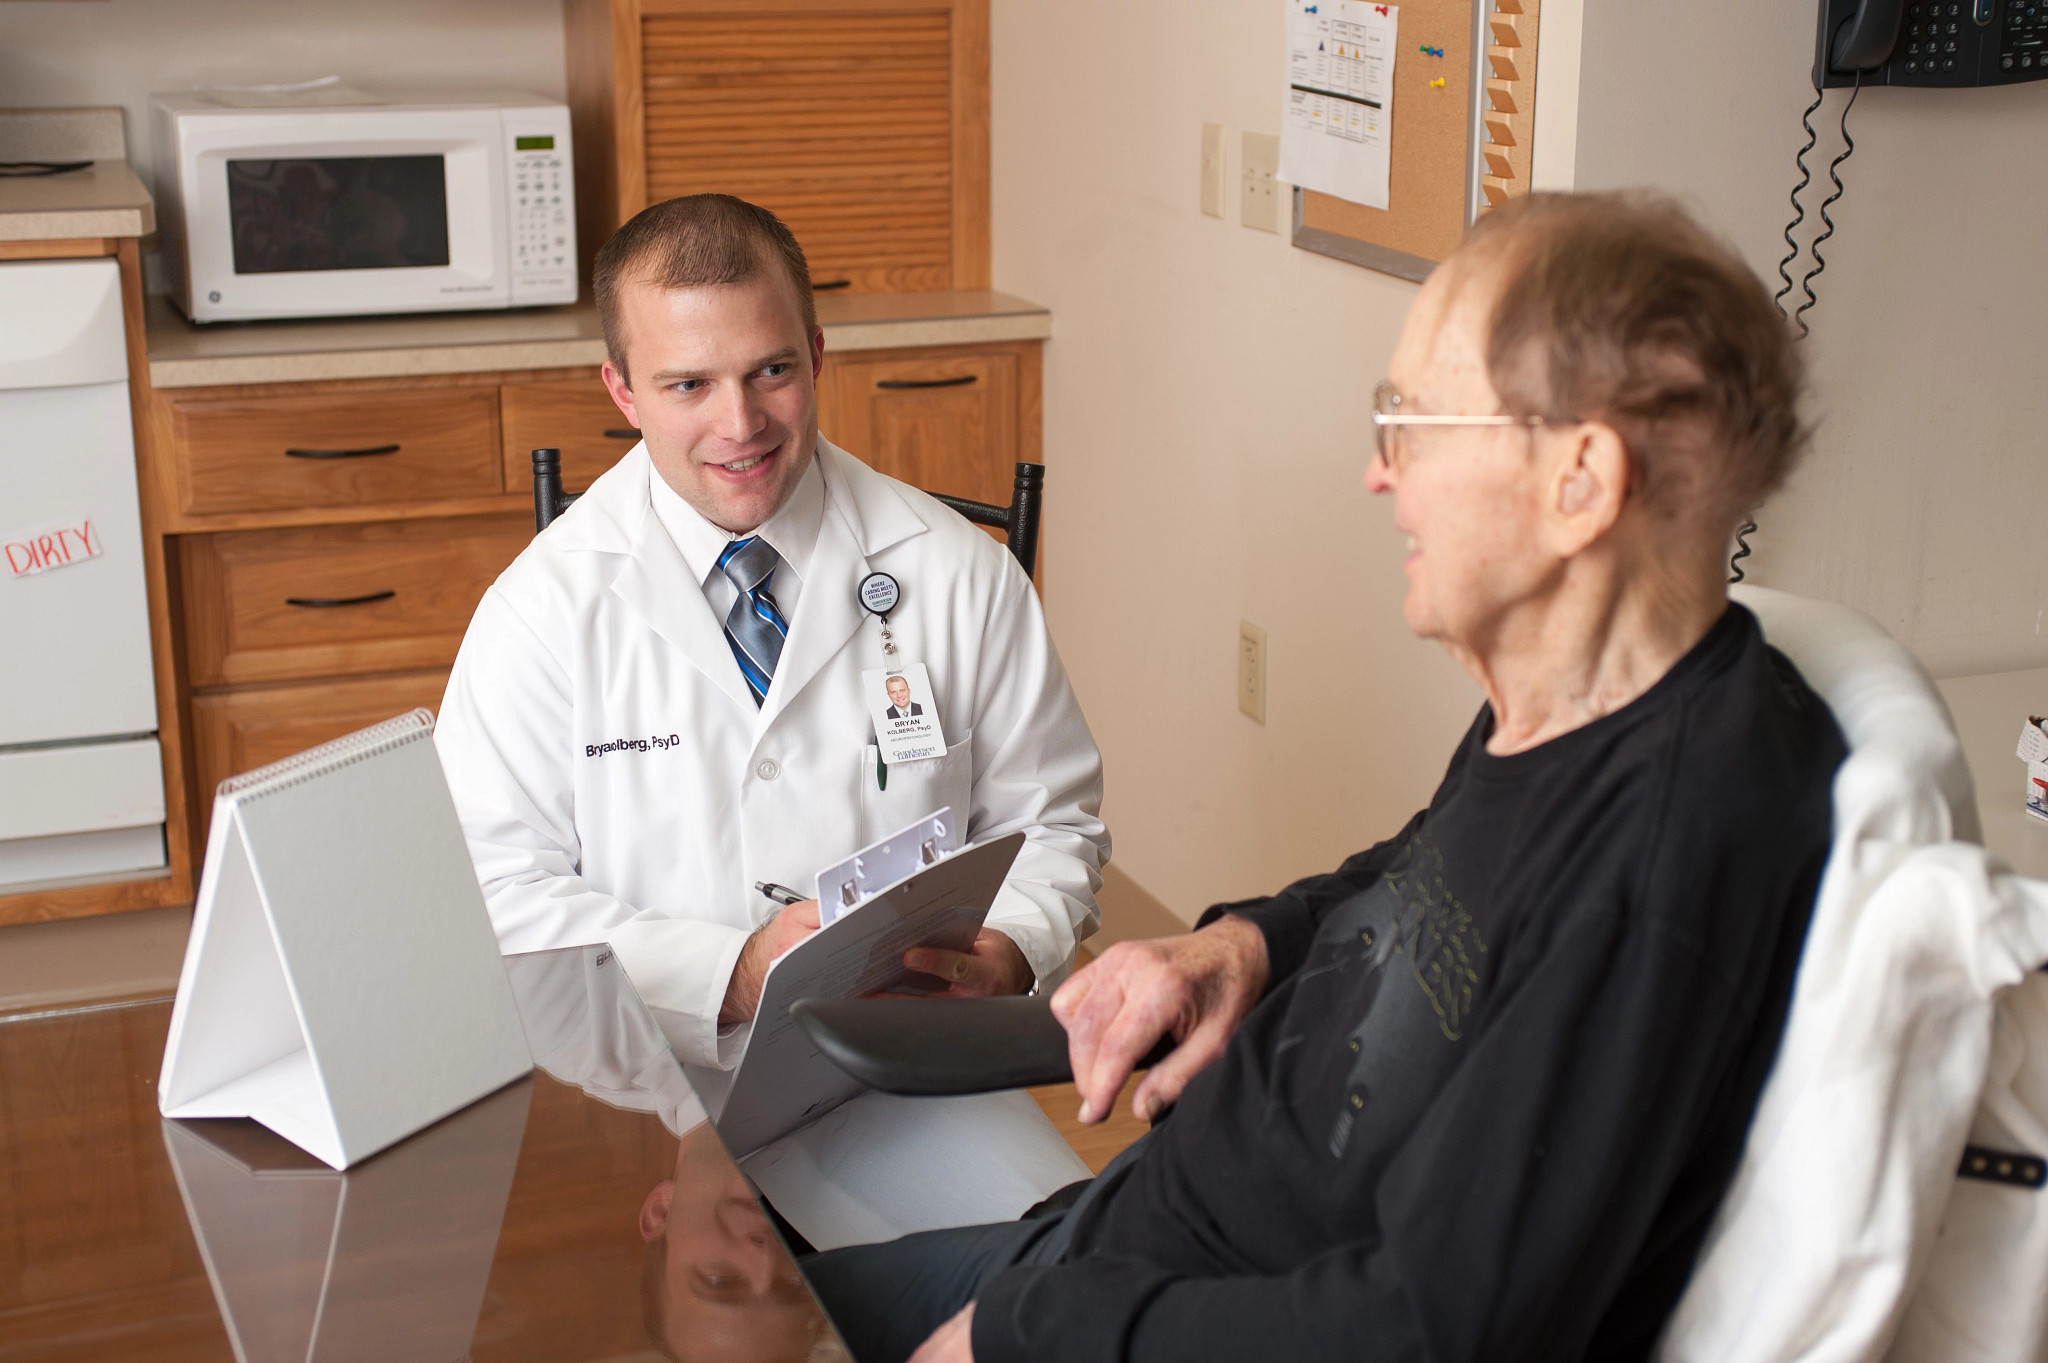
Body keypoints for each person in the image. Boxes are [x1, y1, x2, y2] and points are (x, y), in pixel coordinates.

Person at [800, 189, 1848, 1363]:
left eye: (1413, 423)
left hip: (1136, 1313)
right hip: (1122, 1238)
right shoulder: (1578, 703)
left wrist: (1028, 1332)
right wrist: (1242, 945)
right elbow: (1421, 881)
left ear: (1579, 482)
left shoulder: (1661, 857)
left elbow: (1436, 1328)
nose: (1375, 473)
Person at [435, 194, 1108, 1074]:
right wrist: (737, 973)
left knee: (1078, 1216)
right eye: (688, 385)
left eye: (772, 371)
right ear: (622, 391)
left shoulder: (959, 575)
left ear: (818, 355)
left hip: (908, 1072)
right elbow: (489, 894)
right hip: (645, 1082)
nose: (741, 424)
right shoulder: (540, 610)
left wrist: (1011, 947)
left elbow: (1053, 825)